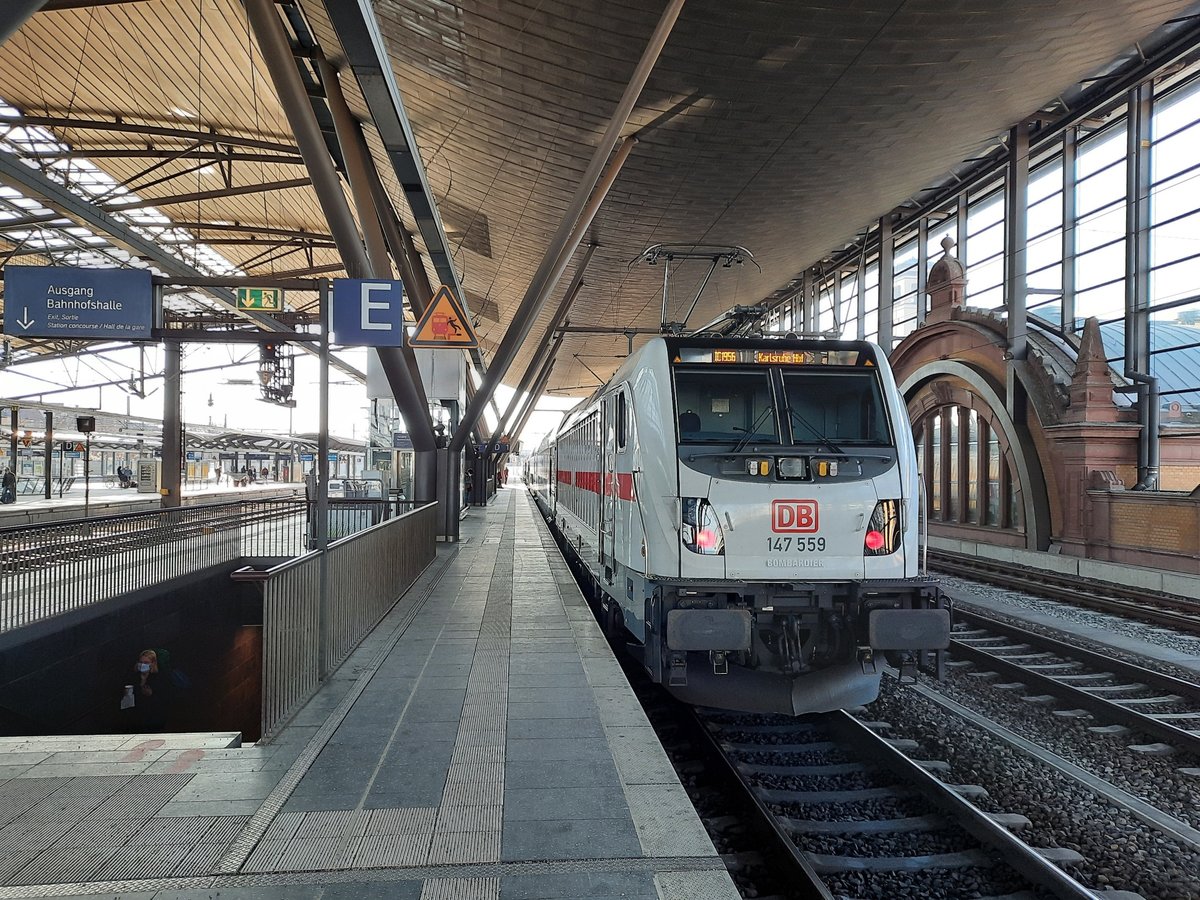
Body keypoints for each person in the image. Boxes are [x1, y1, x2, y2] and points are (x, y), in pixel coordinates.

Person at [124, 649, 170, 732]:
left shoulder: (159, 677)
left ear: (152, 663)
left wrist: (151, 694)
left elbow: (164, 698)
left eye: (146, 663)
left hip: (153, 715)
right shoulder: (133, 676)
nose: (142, 665)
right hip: (135, 714)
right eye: (141, 662)